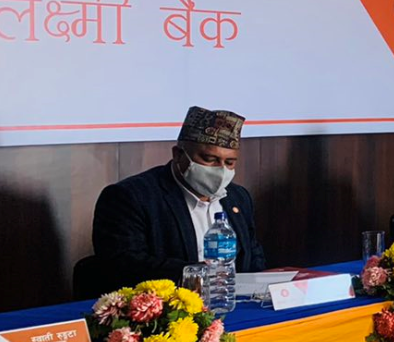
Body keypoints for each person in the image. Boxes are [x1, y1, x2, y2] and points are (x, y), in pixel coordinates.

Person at [90, 106, 267, 290]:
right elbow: (124, 265)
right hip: (168, 302)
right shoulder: (131, 197)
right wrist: (199, 274)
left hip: (233, 300)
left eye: (229, 163)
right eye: (209, 159)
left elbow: (253, 257)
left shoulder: (238, 197)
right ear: (178, 154)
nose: (221, 170)